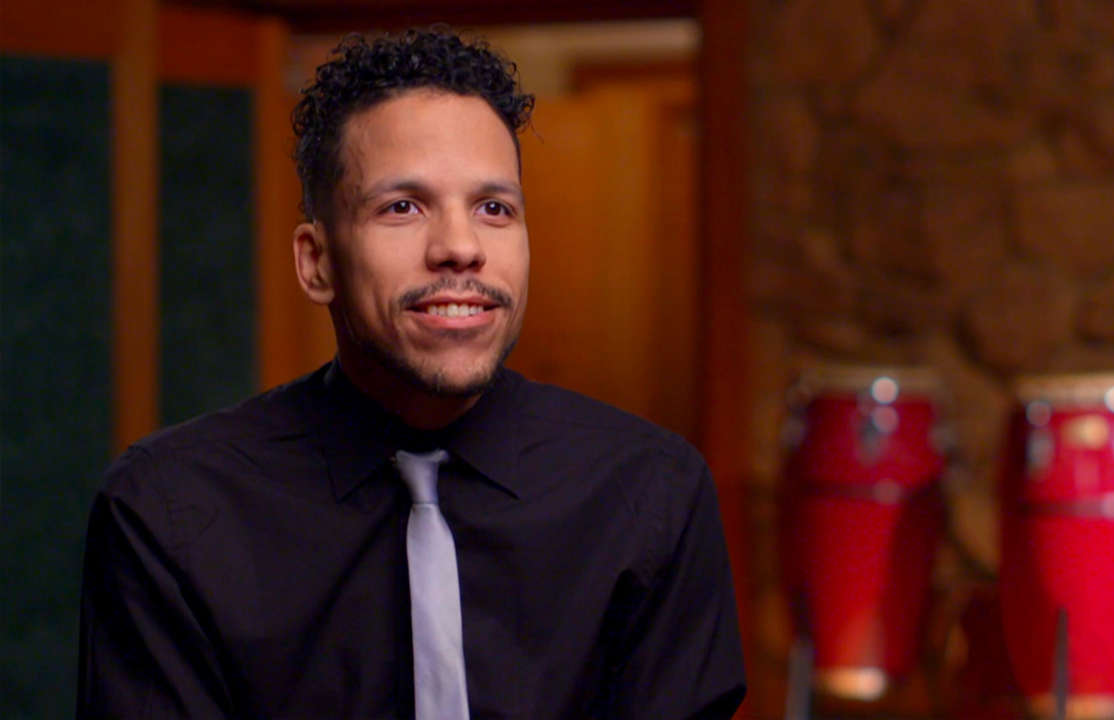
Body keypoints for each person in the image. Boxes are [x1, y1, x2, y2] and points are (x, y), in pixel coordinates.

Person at [77, 28, 745, 719]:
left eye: (494, 208)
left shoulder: (651, 496)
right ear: (317, 262)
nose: (460, 246)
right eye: (402, 207)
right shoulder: (171, 512)